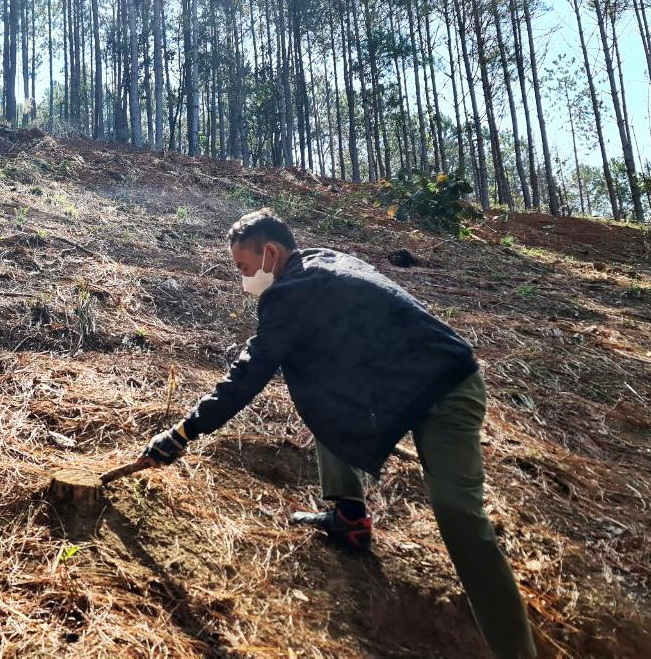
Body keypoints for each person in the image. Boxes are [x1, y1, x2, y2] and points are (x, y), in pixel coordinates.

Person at [143, 208, 536, 659]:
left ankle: (516, 650)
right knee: (320, 389)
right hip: (394, 386)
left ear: (270, 253)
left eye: (243, 268)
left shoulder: (290, 294)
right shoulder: (321, 260)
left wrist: (183, 432)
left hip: (446, 390)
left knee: (461, 519)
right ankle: (350, 518)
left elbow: (248, 375)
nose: (243, 279)